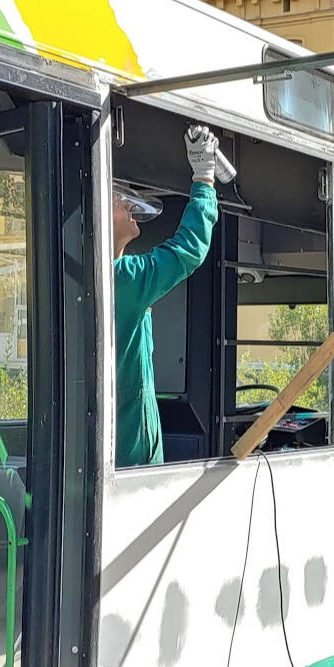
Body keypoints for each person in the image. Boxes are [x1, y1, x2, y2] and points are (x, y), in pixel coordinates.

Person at [113, 125, 221, 467]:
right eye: (119, 198)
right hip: (132, 458)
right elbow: (188, 250)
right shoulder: (121, 280)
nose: (130, 203)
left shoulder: (95, 278)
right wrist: (204, 179)